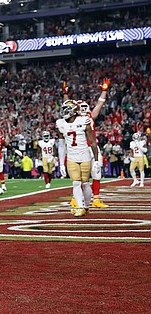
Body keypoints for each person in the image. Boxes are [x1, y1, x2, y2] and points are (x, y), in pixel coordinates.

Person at [63, 78, 110, 208]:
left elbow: (100, 104)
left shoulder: (89, 117)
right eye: (81, 107)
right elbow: (66, 105)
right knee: (78, 178)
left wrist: (104, 91)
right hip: (79, 149)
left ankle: (95, 199)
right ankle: (76, 199)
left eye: (85, 107)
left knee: (96, 172)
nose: (83, 109)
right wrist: (65, 94)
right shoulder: (74, 119)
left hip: (91, 147)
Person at [55, 100, 100, 217]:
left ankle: (86, 207)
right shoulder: (60, 123)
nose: (64, 112)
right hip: (71, 157)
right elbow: (61, 145)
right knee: (76, 183)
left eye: (67, 109)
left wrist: (96, 160)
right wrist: (61, 163)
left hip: (84, 155)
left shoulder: (84, 121)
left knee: (85, 183)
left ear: (74, 111)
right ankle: (80, 207)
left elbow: (92, 142)